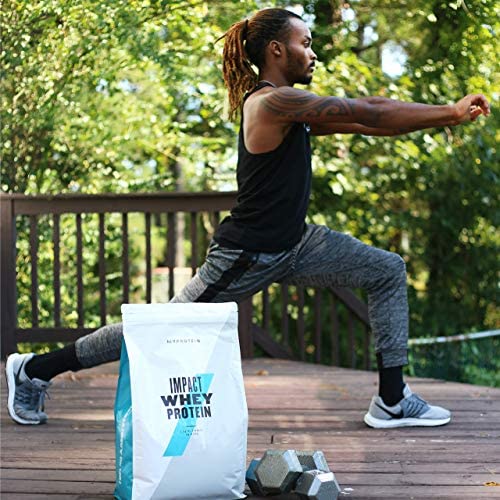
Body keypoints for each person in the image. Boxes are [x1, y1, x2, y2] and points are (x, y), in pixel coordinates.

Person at [6, 8, 490, 428]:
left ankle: (391, 399)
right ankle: (33, 369)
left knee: (385, 270)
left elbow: (369, 121)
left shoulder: (293, 109)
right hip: (247, 253)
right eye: (306, 43)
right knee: (159, 327)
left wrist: (444, 116)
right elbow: (372, 111)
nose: (313, 54)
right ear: (277, 50)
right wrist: (448, 113)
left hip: (296, 245)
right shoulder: (273, 102)